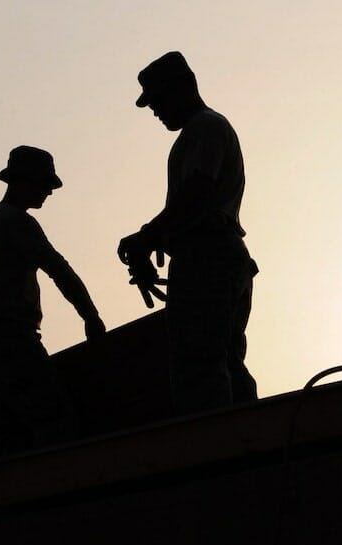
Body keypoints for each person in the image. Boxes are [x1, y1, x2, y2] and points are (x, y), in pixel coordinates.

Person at [118, 51, 258, 415]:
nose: (155, 111)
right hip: (217, 258)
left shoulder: (205, 127)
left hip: (208, 261)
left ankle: (218, 452)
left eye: (158, 101)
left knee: (201, 370)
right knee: (225, 364)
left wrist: (147, 237)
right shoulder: (201, 132)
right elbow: (193, 208)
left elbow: (196, 194)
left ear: (182, 88)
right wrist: (156, 243)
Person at [0, 146, 105, 449]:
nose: (49, 192)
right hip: (12, 340)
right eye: (44, 184)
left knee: (19, 432)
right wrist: (91, 316)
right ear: (24, 181)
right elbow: (59, 270)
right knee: (55, 421)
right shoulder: (17, 221)